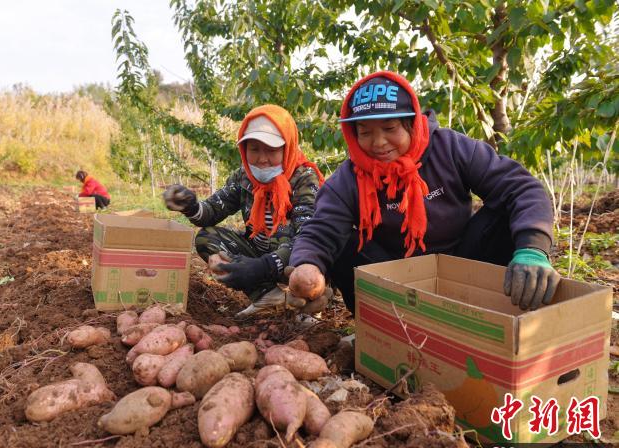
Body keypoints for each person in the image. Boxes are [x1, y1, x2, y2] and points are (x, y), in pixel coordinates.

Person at [288, 71, 560, 315]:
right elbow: (321, 229)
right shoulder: (349, 177)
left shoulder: (451, 148)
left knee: (504, 211)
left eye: (390, 128)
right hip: (394, 276)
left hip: (462, 263)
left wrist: (533, 247)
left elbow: (520, 186)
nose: (379, 142)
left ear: (411, 123)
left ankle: (497, 311)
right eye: (365, 132)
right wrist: (308, 265)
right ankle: (379, 327)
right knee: (341, 243)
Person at [163, 104, 324, 316]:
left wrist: (263, 267)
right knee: (207, 238)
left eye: (272, 150)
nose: (262, 159)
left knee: (308, 269)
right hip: (258, 254)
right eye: (254, 149)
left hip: (293, 260)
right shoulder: (244, 177)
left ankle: (309, 305)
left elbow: (308, 238)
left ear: (288, 148)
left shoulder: (305, 180)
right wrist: (191, 206)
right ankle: (267, 294)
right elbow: (213, 209)